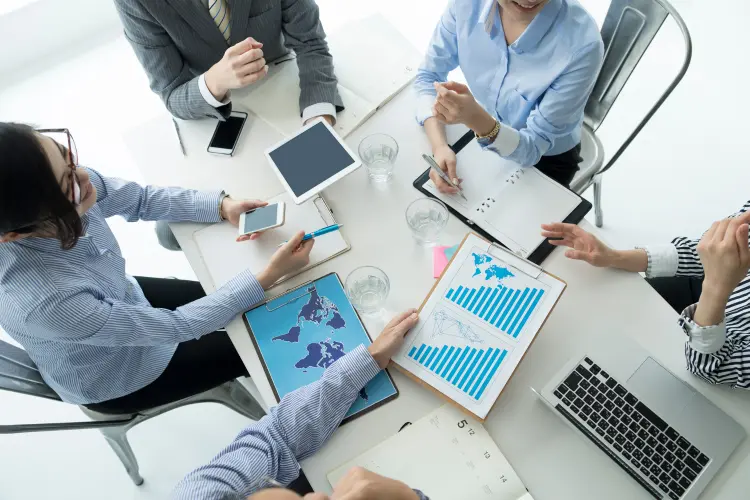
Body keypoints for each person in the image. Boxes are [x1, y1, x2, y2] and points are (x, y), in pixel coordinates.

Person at [0, 123, 314, 413]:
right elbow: (177, 326)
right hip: (119, 373)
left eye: (67, 155)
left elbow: (140, 200)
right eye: (68, 186)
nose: (84, 176)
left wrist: (221, 206)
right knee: (268, 340)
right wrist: (269, 276)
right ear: (14, 234)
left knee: (255, 303)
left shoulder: (57, 179)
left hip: (120, 297)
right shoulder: (43, 302)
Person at [172, 310, 430, 500]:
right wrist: (409, 497)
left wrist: (371, 358)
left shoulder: (201, 494)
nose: (317, 496)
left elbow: (276, 436)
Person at [541, 204, 750, 388]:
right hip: (714, 295)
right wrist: (614, 256)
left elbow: (713, 368)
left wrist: (716, 287)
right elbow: (711, 253)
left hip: (720, 341)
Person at [415, 0, 604, 189]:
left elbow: (533, 148)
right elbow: (429, 76)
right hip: (485, 134)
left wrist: (475, 118)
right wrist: (439, 147)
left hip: (545, 160)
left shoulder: (583, 46)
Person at [113, 0, 342, 123]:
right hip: (223, 111)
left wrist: (318, 114)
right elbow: (172, 94)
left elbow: (310, 42)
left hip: (284, 79)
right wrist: (214, 82)